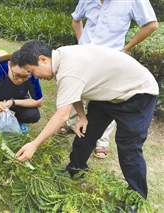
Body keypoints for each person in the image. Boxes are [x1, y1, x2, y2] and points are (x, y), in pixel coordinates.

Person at [15, 40, 158, 204]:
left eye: (32, 71)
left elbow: (62, 115)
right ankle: (75, 169)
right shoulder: (61, 58)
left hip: (137, 92)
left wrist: (34, 144)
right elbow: (75, 91)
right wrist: (82, 117)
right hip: (107, 92)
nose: (35, 76)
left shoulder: (68, 70)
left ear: (43, 59)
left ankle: (136, 198)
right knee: (86, 132)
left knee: (129, 148)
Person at [62, 0, 158, 159]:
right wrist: (81, 43)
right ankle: (73, 123)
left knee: (107, 98)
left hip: (110, 61)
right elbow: (76, 19)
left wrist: (126, 48)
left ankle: (102, 142)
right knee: (75, 89)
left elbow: (151, 24)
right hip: (85, 56)